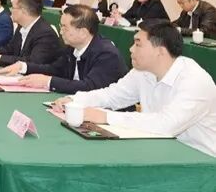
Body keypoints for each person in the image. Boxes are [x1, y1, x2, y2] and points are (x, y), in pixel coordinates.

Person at [52, 21, 216, 157]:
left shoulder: (194, 81)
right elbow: (113, 95)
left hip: (202, 160)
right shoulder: (143, 71)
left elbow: (166, 125)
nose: (131, 49)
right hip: (161, 149)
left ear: (160, 51)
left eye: (138, 44)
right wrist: (76, 100)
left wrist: (106, 116)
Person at [0, 4, 127, 93]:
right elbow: (55, 69)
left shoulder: (106, 54)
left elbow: (89, 87)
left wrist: (48, 82)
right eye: (60, 26)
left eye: (65, 27)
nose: (61, 31)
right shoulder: (71, 48)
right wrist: (23, 67)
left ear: (83, 32)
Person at [0, 0, 64, 66]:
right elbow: (11, 48)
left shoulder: (45, 33)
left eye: (13, 7)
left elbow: (33, 61)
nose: (10, 11)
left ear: (24, 11)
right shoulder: (21, 26)